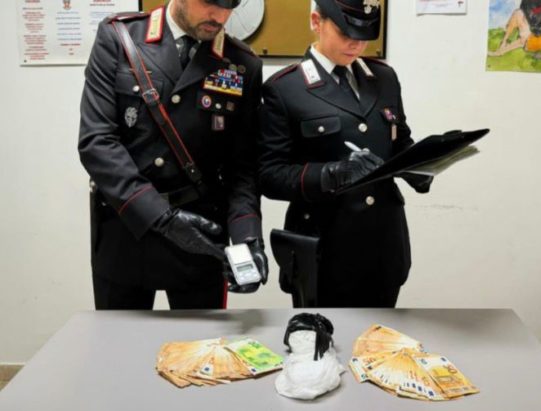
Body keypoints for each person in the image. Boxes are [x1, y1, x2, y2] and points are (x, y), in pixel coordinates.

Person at [78, 0, 268, 310]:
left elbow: (242, 166)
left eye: (230, 5)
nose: (219, 16)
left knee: (202, 340)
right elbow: (97, 142)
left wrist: (248, 236)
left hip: (201, 234)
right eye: (208, 2)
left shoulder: (242, 63)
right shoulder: (120, 38)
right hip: (127, 229)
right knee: (119, 339)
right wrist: (161, 218)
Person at [259, 0, 432, 308]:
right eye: (345, 33)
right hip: (323, 248)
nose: (356, 43)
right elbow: (269, 175)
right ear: (316, 21)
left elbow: (399, 140)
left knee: (379, 335)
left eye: (364, 35)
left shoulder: (384, 78)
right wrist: (331, 174)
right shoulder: (286, 88)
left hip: (383, 244)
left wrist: (423, 164)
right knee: (322, 337)